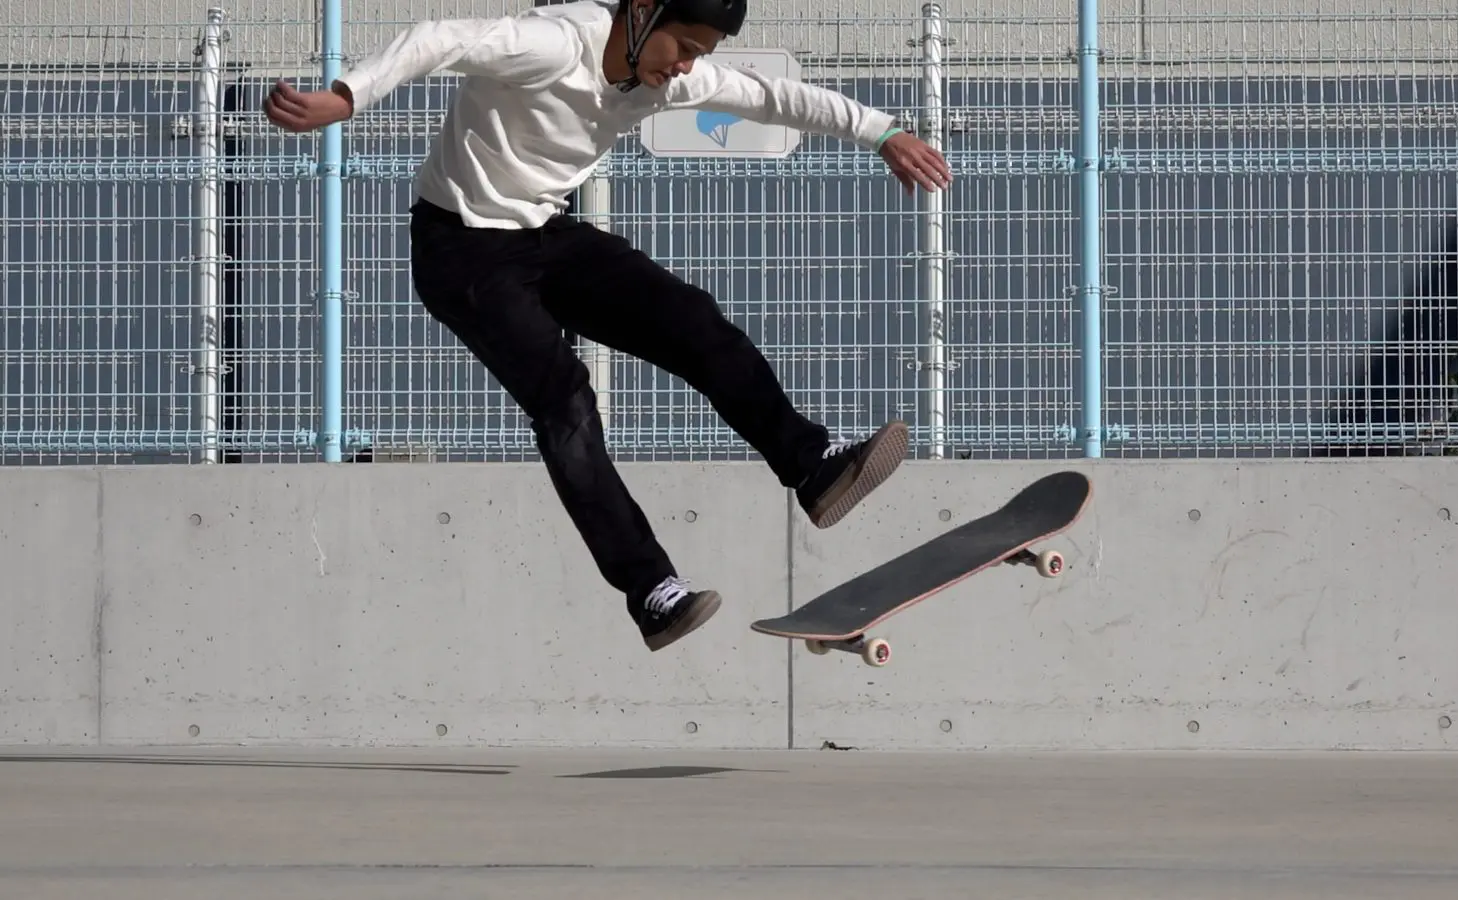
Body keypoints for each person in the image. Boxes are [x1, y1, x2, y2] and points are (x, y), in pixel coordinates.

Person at [262, 0, 953, 652]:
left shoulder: (671, 77)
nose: (684, 66)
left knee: (692, 321)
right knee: (564, 400)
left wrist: (882, 132)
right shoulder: (552, 45)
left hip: (545, 235)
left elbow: (770, 97)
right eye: (683, 47)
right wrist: (347, 97)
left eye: (699, 55)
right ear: (643, 11)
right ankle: (651, 591)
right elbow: (440, 40)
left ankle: (813, 469)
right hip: (461, 250)